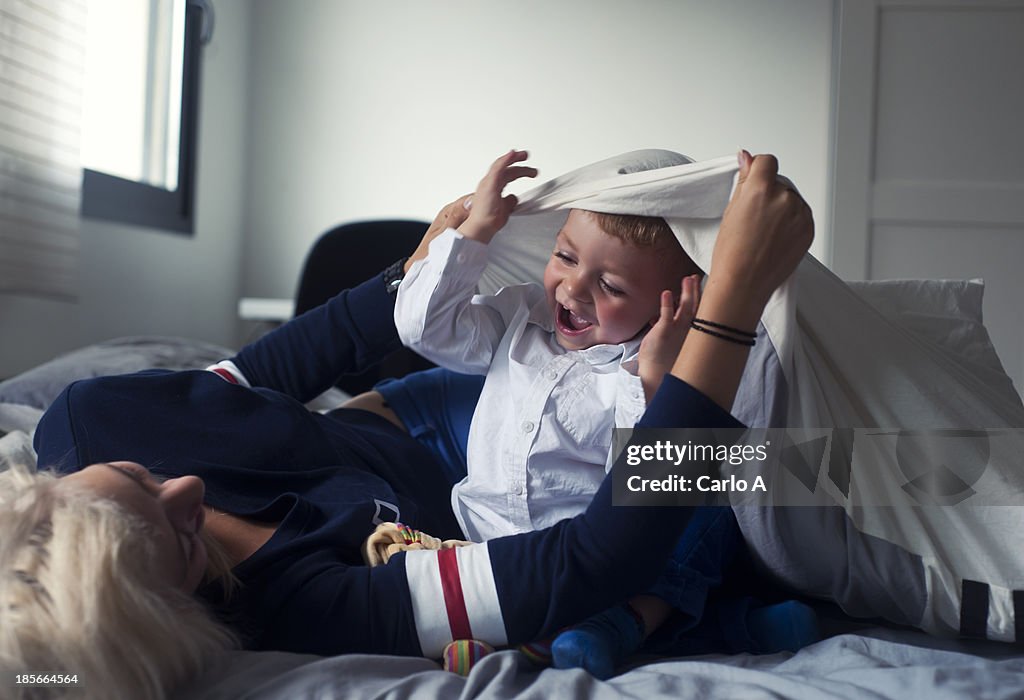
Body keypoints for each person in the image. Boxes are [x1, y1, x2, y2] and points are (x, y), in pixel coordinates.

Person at [0, 152, 812, 700]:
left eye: (139, 477)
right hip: (464, 495)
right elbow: (595, 558)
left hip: (407, 412)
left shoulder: (94, 416)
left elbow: (269, 372)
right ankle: (738, 594)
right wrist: (730, 308)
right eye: (182, 542)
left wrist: (418, 271)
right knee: (746, 471)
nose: (187, 488)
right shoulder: (311, 607)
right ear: (176, 616)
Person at [392, 149, 815, 676]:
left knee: (716, 494)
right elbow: (422, 329)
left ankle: (682, 625)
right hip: (497, 553)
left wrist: (656, 378)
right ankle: (731, 627)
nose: (572, 289)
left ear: (669, 304)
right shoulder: (519, 318)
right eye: (565, 258)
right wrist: (474, 233)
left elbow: (651, 475)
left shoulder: (644, 363)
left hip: (606, 564)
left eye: (611, 287)